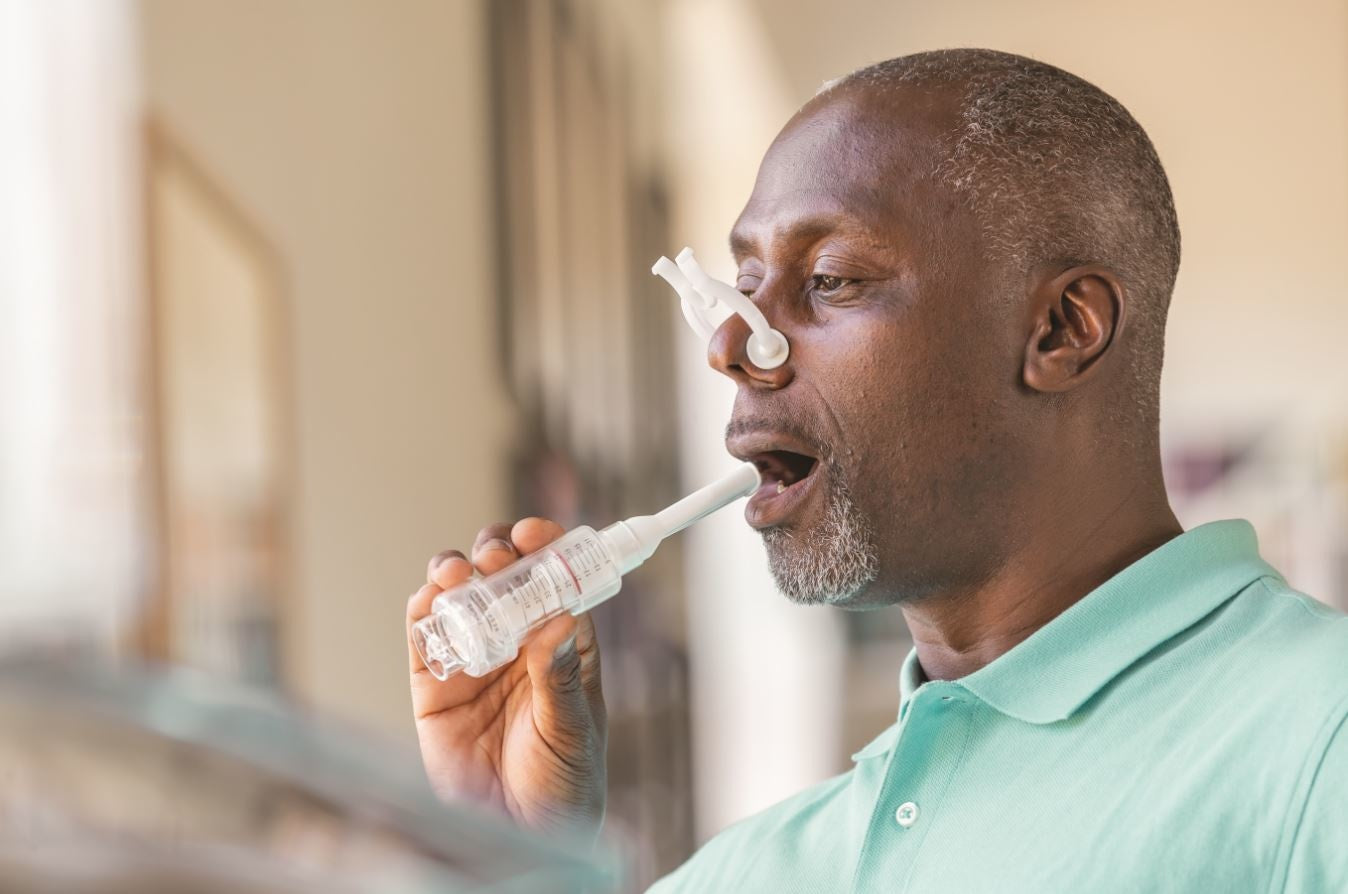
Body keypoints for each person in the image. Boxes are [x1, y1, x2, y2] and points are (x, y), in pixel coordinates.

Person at [405, 49, 1348, 891]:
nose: (732, 348)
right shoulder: (749, 872)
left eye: (829, 280)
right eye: (744, 288)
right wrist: (514, 860)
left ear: (1062, 330)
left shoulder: (1321, 740)